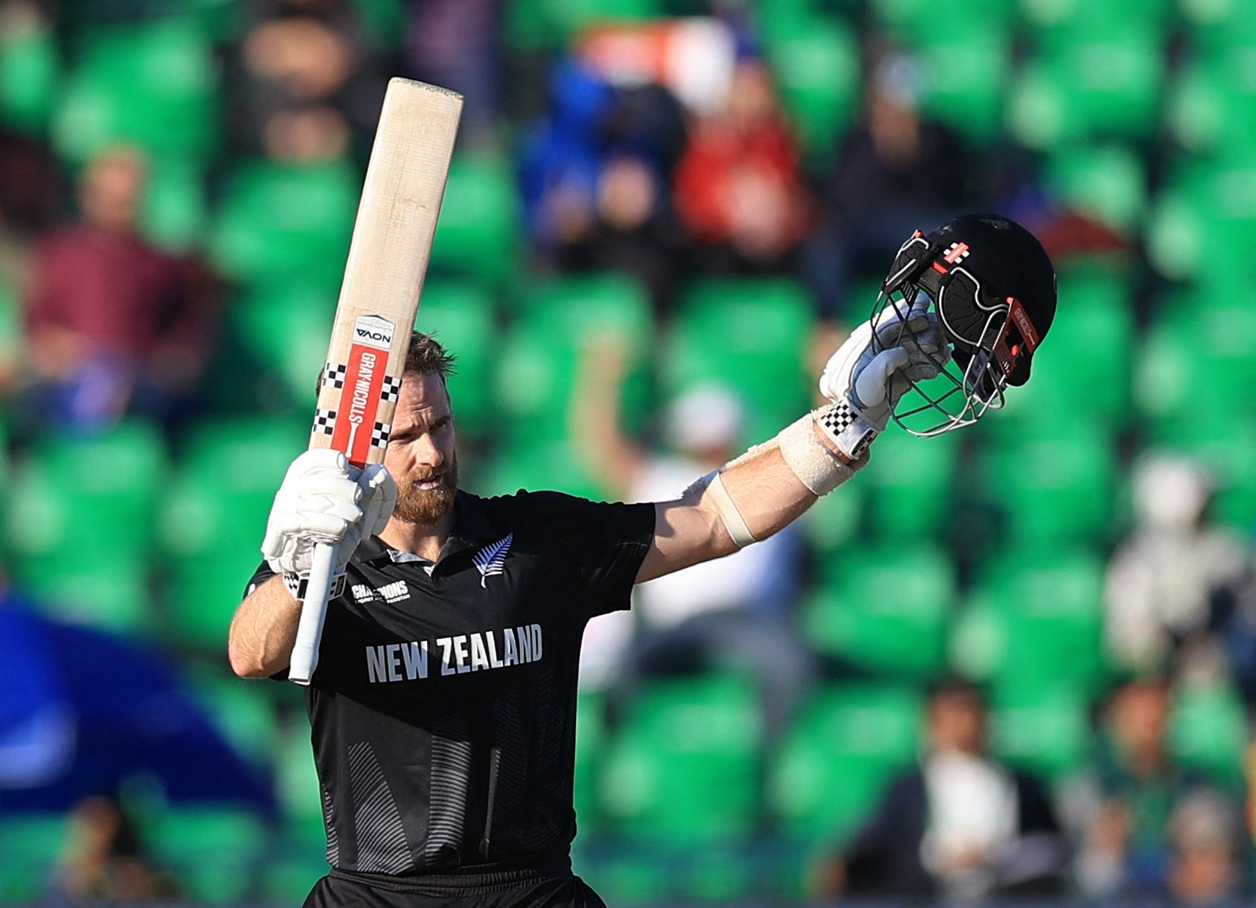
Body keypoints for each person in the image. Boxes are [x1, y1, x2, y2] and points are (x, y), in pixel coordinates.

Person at [228, 212, 1057, 907]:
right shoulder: (326, 561)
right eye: (405, 436)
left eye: (438, 424)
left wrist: (843, 427)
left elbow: (715, 519)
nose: (431, 452)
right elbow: (252, 652)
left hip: (532, 892)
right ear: (366, 445)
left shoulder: (533, 542)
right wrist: (307, 559)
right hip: (378, 896)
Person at [16, 143, 218, 439]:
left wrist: (151, 368)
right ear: (88, 195)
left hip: (143, 388)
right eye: (112, 199)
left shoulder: (164, 265)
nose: (121, 209)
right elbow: (38, 335)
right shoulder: (59, 257)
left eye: (129, 200)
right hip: (71, 384)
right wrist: (69, 356)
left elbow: (187, 344)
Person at [811, 678, 1069, 902]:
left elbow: (1049, 847)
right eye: (955, 714)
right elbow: (875, 842)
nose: (966, 723)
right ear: (933, 721)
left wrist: (994, 856)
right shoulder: (905, 789)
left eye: (973, 712)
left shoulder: (1024, 784)